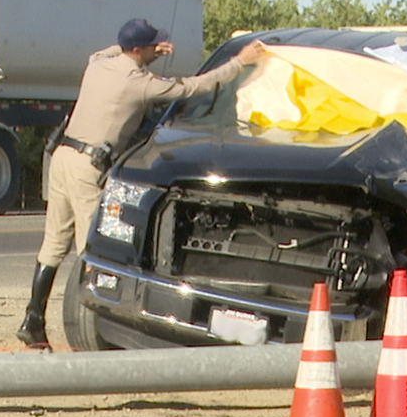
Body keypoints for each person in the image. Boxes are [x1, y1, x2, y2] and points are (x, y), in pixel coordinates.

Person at [16, 19, 264, 347]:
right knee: (92, 251)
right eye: (151, 46)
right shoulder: (139, 83)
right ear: (137, 50)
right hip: (88, 168)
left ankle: (33, 318)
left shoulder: (98, 64)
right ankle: (88, 329)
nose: (157, 49)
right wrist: (239, 63)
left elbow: (106, 52)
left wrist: (150, 53)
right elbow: (194, 87)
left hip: (62, 157)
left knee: (52, 245)